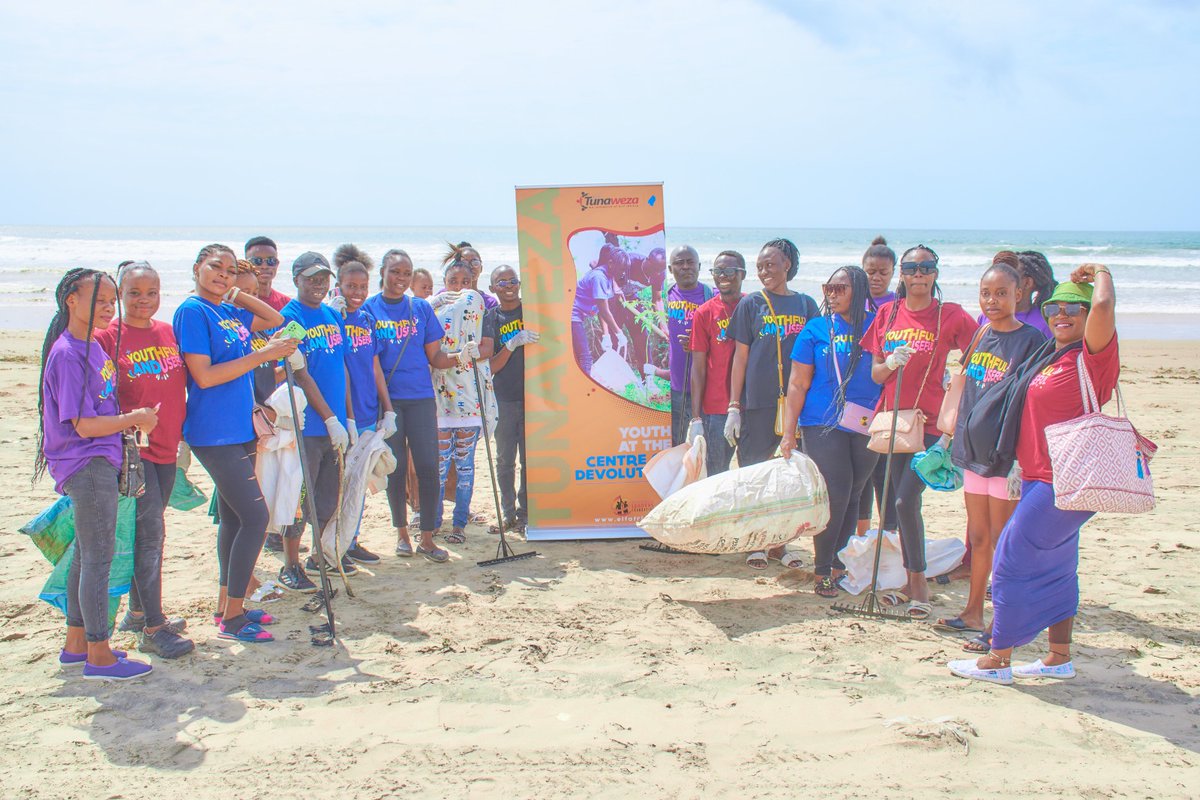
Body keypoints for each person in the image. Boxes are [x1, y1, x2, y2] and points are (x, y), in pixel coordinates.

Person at [949, 264, 1118, 685]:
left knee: (1010, 560)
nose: (1062, 315)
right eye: (1054, 308)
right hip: (1037, 476)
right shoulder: (1052, 354)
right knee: (1058, 567)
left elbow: (1103, 303)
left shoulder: (1093, 357)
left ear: (1088, 317)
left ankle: (998, 658)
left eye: (1073, 309)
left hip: (1064, 480)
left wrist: (1101, 271)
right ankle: (1058, 657)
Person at [36, 268, 159, 679]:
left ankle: (77, 646)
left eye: (111, 301)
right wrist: (136, 418)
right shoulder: (68, 353)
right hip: (85, 463)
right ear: (71, 300)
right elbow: (84, 424)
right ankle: (99, 655)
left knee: (86, 555)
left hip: (99, 460)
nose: (108, 308)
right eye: (99, 300)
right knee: (98, 558)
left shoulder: (92, 346)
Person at [174, 244, 299, 642]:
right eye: (215, 267)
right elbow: (205, 376)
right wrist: (264, 354)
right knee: (255, 518)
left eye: (230, 271)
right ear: (197, 267)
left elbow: (275, 318)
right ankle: (232, 618)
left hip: (241, 429)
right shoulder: (192, 312)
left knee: (233, 520)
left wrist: (236, 293)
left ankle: (227, 607)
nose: (223, 275)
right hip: (213, 431)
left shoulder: (227, 310)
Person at [863, 244, 978, 619]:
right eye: (911, 268)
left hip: (929, 423)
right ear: (902, 273)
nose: (918, 275)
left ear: (935, 274)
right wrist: (891, 363)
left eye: (926, 268)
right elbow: (875, 374)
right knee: (899, 504)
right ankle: (910, 582)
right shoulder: (888, 313)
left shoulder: (949, 315)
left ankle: (918, 585)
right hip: (894, 422)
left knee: (904, 500)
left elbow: (980, 352)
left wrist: (957, 385)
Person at [934, 253, 1048, 633]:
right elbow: (966, 386)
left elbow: (1031, 401)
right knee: (978, 536)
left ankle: (1003, 620)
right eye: (986, 293)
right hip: (972, 453)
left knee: (1003, 540)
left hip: (1004, 456)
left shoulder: (1031, 340)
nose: (992, 300)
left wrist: (1020, 457)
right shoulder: (982, 335)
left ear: (1019, 294)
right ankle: (972, 612)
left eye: (1001, 293)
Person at [95, 262, 194, 658]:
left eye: (151, 292)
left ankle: (138, 613)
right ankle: (154, 627)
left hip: (167, 446)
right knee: (151, 535)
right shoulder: (107, 337)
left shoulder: (167, 332)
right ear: (120, 294)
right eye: (134, 293)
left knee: (149, 532)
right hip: (134, 452)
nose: (143, 300)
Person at [780, 266, 882, 597]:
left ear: (859, 290)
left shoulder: (878, 326)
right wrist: (788, 432)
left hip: (866, 422)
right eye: (829, 288)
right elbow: (797, 384)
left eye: (840, 288)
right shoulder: (816, 328)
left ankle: (840, 563)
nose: (832, 294)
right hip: (821, 422)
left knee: (854, 492)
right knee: (835, 492)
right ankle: (822, 568)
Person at [725, 238, 819, 571]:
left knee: (790, 478)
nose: (764, 271)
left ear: (787, 265)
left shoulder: (807, 305)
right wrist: (734, 406)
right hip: (759, 402)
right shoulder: (751, 304)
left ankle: (781, 543)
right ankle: (756, 542)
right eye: (760, 266)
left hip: (798, 405)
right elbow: (740, 357)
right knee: (754, 474)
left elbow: (817, 355)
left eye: (771, 265)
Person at [364, 249, 462, 563]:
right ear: (382, 272)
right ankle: (402, 535)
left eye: (407, 273)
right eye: (395, 271)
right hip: (388, 402)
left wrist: (464, 356)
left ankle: (428, 539)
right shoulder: (368, 310)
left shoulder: (420, 308)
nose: (401, 278)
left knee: (428, 468)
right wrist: (385, 408)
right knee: (395, 470)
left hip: (421, 398)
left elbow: (436, 358)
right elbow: (368, 362)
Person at [280, 252, 359, 584]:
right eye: (311, 278)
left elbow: (341, 368)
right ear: (296, 279)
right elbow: (300, 374)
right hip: (308, 426)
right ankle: (290, 565)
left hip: (335, 425)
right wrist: (328, 418)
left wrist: (348, 418)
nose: (318, 284)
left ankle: (318, 556)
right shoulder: (289, 317)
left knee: (328, 497)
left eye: (323, 279)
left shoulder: (332, 315)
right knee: (300, 497)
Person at [331, 256, 395, 564]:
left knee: (358, 483)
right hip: (343, 416)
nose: (357, 292)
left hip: (369, 412)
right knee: (337, 486)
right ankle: (331, 547)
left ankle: (351, 541)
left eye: (362, 287)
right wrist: (348, 417)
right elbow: (339, 368)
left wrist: (388, 409)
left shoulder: (367, 320)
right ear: (338, 286)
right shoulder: (333, 319)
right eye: (350, 286)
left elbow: (375, 366)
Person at [429, 261, 495, 544]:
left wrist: (474, 351)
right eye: (453, 281)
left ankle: (459, 524)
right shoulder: (432, 312)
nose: (459, 287)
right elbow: (428, 352)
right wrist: (431, 305)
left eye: (465, 281)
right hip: (441, 398)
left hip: (470, 399)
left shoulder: (481, 310)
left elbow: (487, 347)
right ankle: (433, 522)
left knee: (465, 466)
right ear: (444, 283)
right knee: (440, 467)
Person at [486, 265, 538, 532]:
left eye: (513, 280)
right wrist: (511, 344)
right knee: (505, 460)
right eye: (501, 282)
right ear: (492, 288)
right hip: (504, 398)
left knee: (531, 459)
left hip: (535, 397)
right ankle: (508, 514)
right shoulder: (490, 318)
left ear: (520, 283)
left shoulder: (533, 312)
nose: (508, 286)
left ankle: (526, 512)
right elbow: (491, 366)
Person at [686, 251, 746, 475]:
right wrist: (696, 418)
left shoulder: (754, 305)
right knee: (717, 473)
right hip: (716, 408)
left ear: (742, 274)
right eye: (718, 271)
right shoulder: (704, 313)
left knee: (750, 471)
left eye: (729, 270)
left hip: (751, 406)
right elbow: (698, 367)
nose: (723, 276)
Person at [857, 236, 898, 535]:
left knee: (886, 474)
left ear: (893, 272)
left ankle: (889, 536)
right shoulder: (852, 301)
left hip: (889, 397)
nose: (876, 277)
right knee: (860, 474)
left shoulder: (898, 304)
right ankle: (861, 536)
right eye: (871, 271)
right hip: (859, 397)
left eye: (883, 272)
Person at [665, 245, 712, 446]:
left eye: (690, 262)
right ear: (670, 269)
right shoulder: (663, 298)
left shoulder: (713, 296)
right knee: (675, 445)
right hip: (672, 388)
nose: (685, 267)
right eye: (679, 263)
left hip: (705, 388)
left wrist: (701, 341)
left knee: (703, 446)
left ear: (699, 266)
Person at [570, 244, 627, 376]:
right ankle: (585, 386)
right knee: (585, 357)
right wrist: (618, 332)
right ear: (611, 263)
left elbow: (600, 308)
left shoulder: (608, 276)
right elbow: (604, 310)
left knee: (579, 356)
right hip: (572, 314)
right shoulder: (599, 277)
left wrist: (606, 335)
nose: (623, 273)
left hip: (578, 315)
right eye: (621, 269)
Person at [442, 242, 499, 309]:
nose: (470, 266)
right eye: (464, 262)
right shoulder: (444, 295)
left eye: (475, 262)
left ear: (481, 268)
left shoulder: (490, 302)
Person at [245, 236, 290, 312]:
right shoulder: (238, 302)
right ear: (246, 264)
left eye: (271, 261)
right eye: (257, 261)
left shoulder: (286, 304)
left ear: (277, 264)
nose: (264, 266)